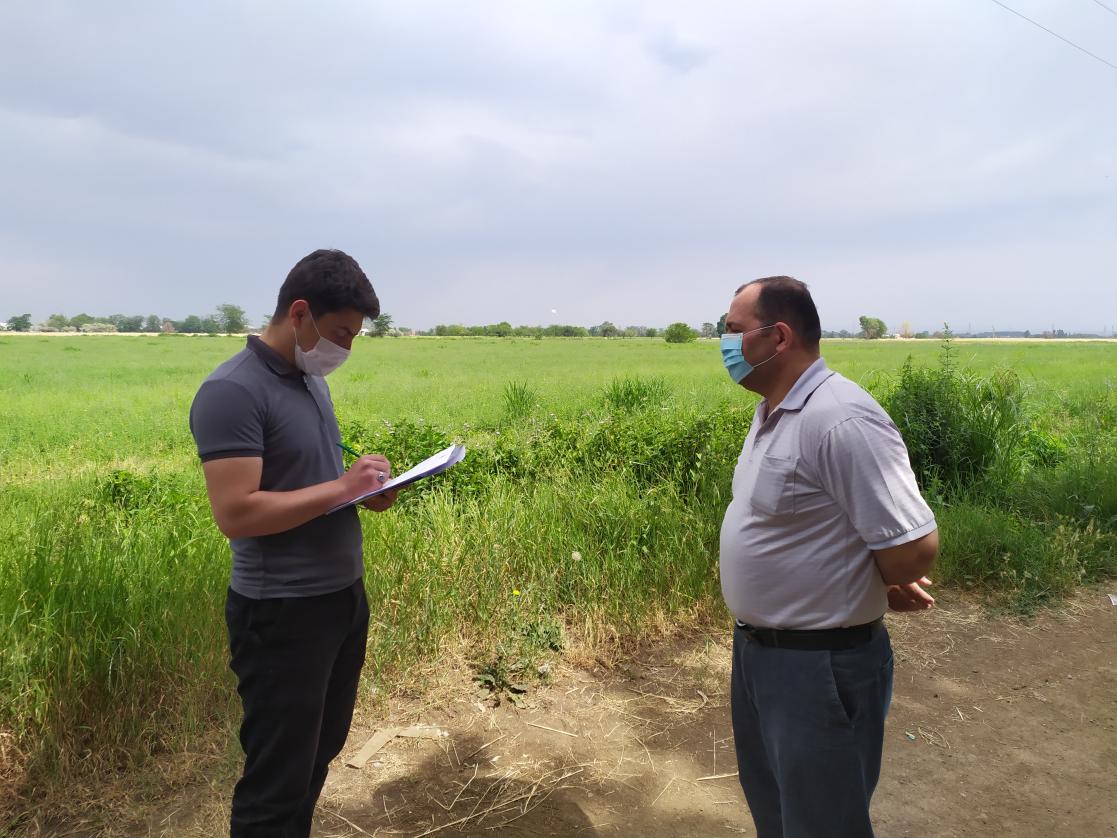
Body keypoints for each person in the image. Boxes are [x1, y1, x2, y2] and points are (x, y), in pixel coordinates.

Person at [718, 276, 939, 838]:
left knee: (823, 823)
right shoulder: (773, 412)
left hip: (817, 666)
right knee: (778, 811)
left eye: (734, 330)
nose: (723, 343)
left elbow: (914, 547)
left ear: (779, 337)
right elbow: (824, 526)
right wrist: (862, 572)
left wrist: (881, 576)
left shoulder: (840, 418)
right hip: (762, 657)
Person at [189, 249, 397, 837]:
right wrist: (340, 486)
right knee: (276, 780)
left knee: (320, 752)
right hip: (281, 615)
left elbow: (315, 487)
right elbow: (237, 512)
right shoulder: (232, 390)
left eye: (355, 337)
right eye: (340, 333)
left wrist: (365, 489)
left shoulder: (309, 381)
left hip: (340, 600)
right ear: (299, 313)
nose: (346, 350)